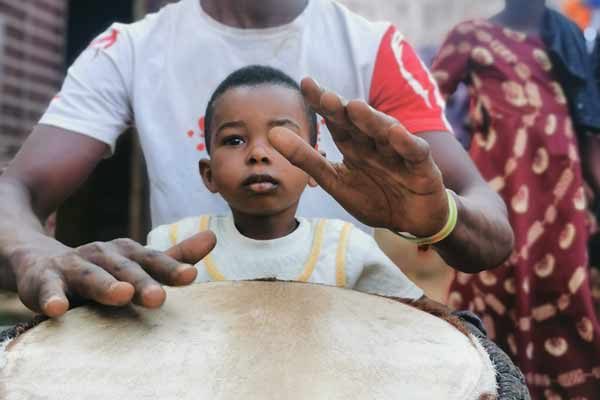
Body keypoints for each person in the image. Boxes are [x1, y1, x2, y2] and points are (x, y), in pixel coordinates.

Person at [0, 0, 513, 319]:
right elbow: (15, 190)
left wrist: (441, 218)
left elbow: (489, 226)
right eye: (234, 141)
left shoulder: (373, 49)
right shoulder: (128, 49)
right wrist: (30, 251)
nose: (259, 153)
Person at [431, 0, 600, 398]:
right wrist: (446, 179)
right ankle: (491, 385)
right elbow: (424, 105)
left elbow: (588, 120)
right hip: (496, 195)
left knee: (563, 290)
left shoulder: (565, 34)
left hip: (562, 195)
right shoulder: (469, 36)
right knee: (491, 283)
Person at [148, 65, 424, 303]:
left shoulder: (346, 249)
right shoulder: (173, 243)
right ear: (209, 175)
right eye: (235, 140)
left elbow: (415, 323)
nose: (258, 154)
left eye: (280, 138)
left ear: (316, 168)